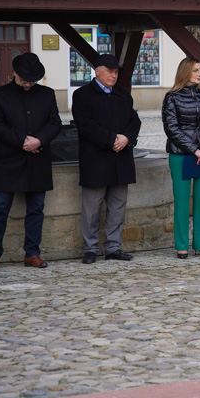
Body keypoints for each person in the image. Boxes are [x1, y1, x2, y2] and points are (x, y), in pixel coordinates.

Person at [0, 53, 61, 270]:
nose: (28, 83)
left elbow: (55, 123)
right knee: (0, 208)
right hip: (8, 161)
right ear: (14, 74)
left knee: (36, 209)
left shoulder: (47, 94)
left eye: (32, 80)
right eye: (24, 79)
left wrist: (39, 140)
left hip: (38, 160)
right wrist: (22, 141)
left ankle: (32, 253)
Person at [72, 53, 142, 264]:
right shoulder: (82, 95)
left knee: (118, 207)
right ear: (98, 71)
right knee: (91, 209)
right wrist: (112, 139)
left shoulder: (123, 95)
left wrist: (126, 138)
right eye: (110, 72)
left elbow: (134, 121)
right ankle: (90, 249)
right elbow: (86, 126)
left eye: (116, 72)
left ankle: (113, 247)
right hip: (96, 160)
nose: (114, 76)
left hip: (121, 160)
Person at [162, 57, 200, 259]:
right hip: (181, 156)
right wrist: (194, 150)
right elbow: (172, 129)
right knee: (181, 202)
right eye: (196, 70)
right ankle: (181, 246)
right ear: (185, 71)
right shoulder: (172, 98)